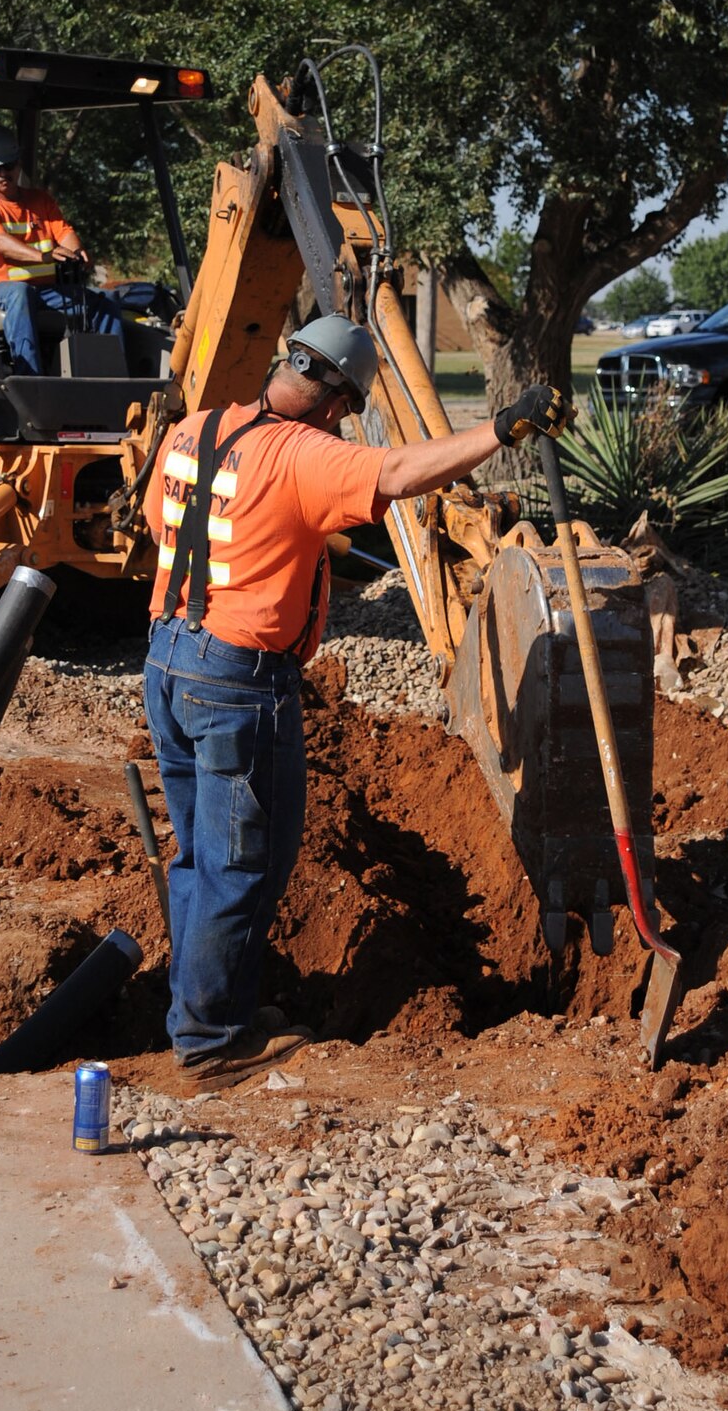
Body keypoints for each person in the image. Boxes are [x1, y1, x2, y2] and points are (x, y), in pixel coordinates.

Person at [143, 314, 572, 1091]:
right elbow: (402, 473)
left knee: (200, 856)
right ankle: (209, 1040)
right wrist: (503, 429)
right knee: (242, 865)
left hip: (167, 657)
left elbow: (162, 522)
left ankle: (214, 1009)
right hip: (237, 680)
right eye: (345, 410)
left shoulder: (199, 428)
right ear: (337, 400)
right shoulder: (305, 453)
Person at [0, 123, 128, 375]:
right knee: (20, 293)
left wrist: (76, 252)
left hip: (44, 292)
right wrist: (44, 256)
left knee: (105, 300)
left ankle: (114, 377)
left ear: (18, 165)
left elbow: (63, 232)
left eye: (8, 166)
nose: (3, 174)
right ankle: (29, 376)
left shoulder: (40, 200)